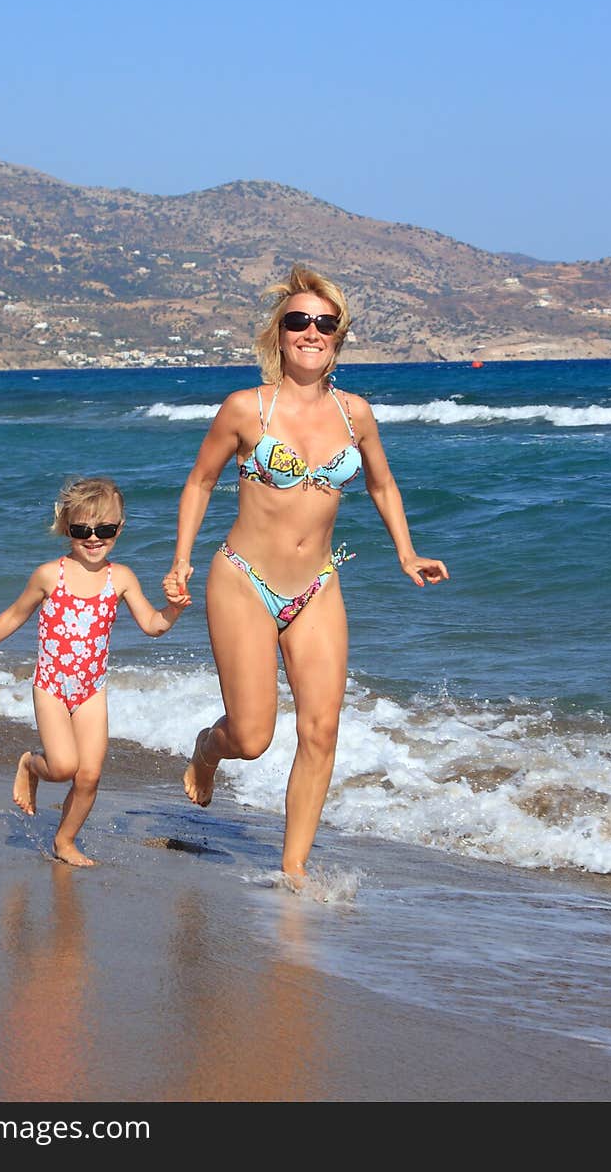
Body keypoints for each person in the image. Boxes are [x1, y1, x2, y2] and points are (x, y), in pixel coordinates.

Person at [163, 266, 448, 880]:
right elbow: (200, 481)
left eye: (324, 323)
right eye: (298, 322)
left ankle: (293, 872)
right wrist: (181, 558)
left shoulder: (357, 415)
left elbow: (381, 482)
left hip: (317, 585)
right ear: (279, 335)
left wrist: (407, 551)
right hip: (243, 579)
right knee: (253, 736)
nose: (311, 332)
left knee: (321, 731)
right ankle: (208, 750)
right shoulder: (246, 408)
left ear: (338, 337)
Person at [0, 476, 186, 866]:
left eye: (105, 529)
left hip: (92, 690)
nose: (94, 538)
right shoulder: (50, 575)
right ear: (67, 528)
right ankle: (30, 763)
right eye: (82, 530)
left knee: (89, 776)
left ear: (120, 529)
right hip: (51, 687)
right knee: (62, 767)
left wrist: (174, 607)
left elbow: (153, 625)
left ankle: (65, 840)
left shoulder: (121, 578)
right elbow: (14, 614)